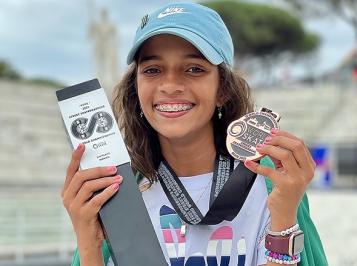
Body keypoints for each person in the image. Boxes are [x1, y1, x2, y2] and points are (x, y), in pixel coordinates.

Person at [61, 3, 327, 266]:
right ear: (136, 89)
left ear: (223, 89)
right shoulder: (118, 193)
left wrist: (283, 220)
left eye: (194, 69)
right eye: (153, 70)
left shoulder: (271, 182)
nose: (171, 86)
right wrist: (88, 242)